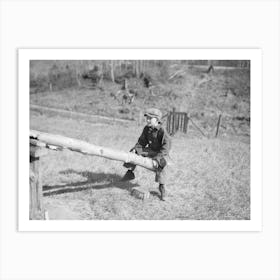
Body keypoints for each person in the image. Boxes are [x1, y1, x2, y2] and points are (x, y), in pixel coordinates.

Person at [122, 108, 171, 201]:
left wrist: (157, 159)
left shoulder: (162, 131)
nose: (147, 120)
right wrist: (136, 149)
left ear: (157, 120)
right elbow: (141, 142)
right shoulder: (147, 128)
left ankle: (162, 187)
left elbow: (166, 147)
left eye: (150, 118)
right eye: (147, 118)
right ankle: (130, 172)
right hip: (150, 150)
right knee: (134, 150)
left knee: (162, 164)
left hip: (160, 153)